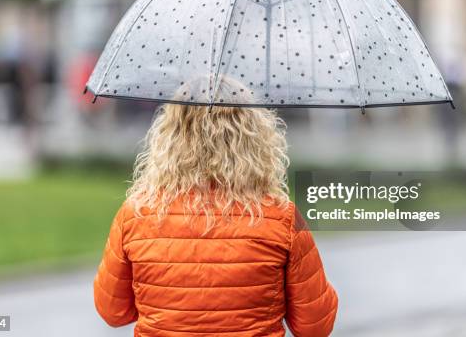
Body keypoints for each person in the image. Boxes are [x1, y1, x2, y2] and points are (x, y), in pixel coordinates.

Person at [94, 77, 338, 336]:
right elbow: (316, 326)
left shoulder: (136, 214)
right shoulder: (281, 217)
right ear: (253, 135)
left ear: (171, 132)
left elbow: (113, 311)